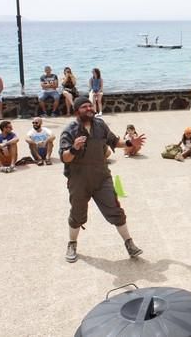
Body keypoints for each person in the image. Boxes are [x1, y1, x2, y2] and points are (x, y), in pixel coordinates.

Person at [59, 96, 146, 263]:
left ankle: (129, 243)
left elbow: (114, 141)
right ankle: (72, 243)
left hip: (101, 177)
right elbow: (65, 157)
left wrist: (129, 142)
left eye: (90, 106)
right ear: (77, 111)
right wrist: (74, 148)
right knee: (77, 214)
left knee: (116, 210)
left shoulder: (100, 125)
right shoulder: (70, 131)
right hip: (79, 180)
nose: (89, 108)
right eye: (84, 107)